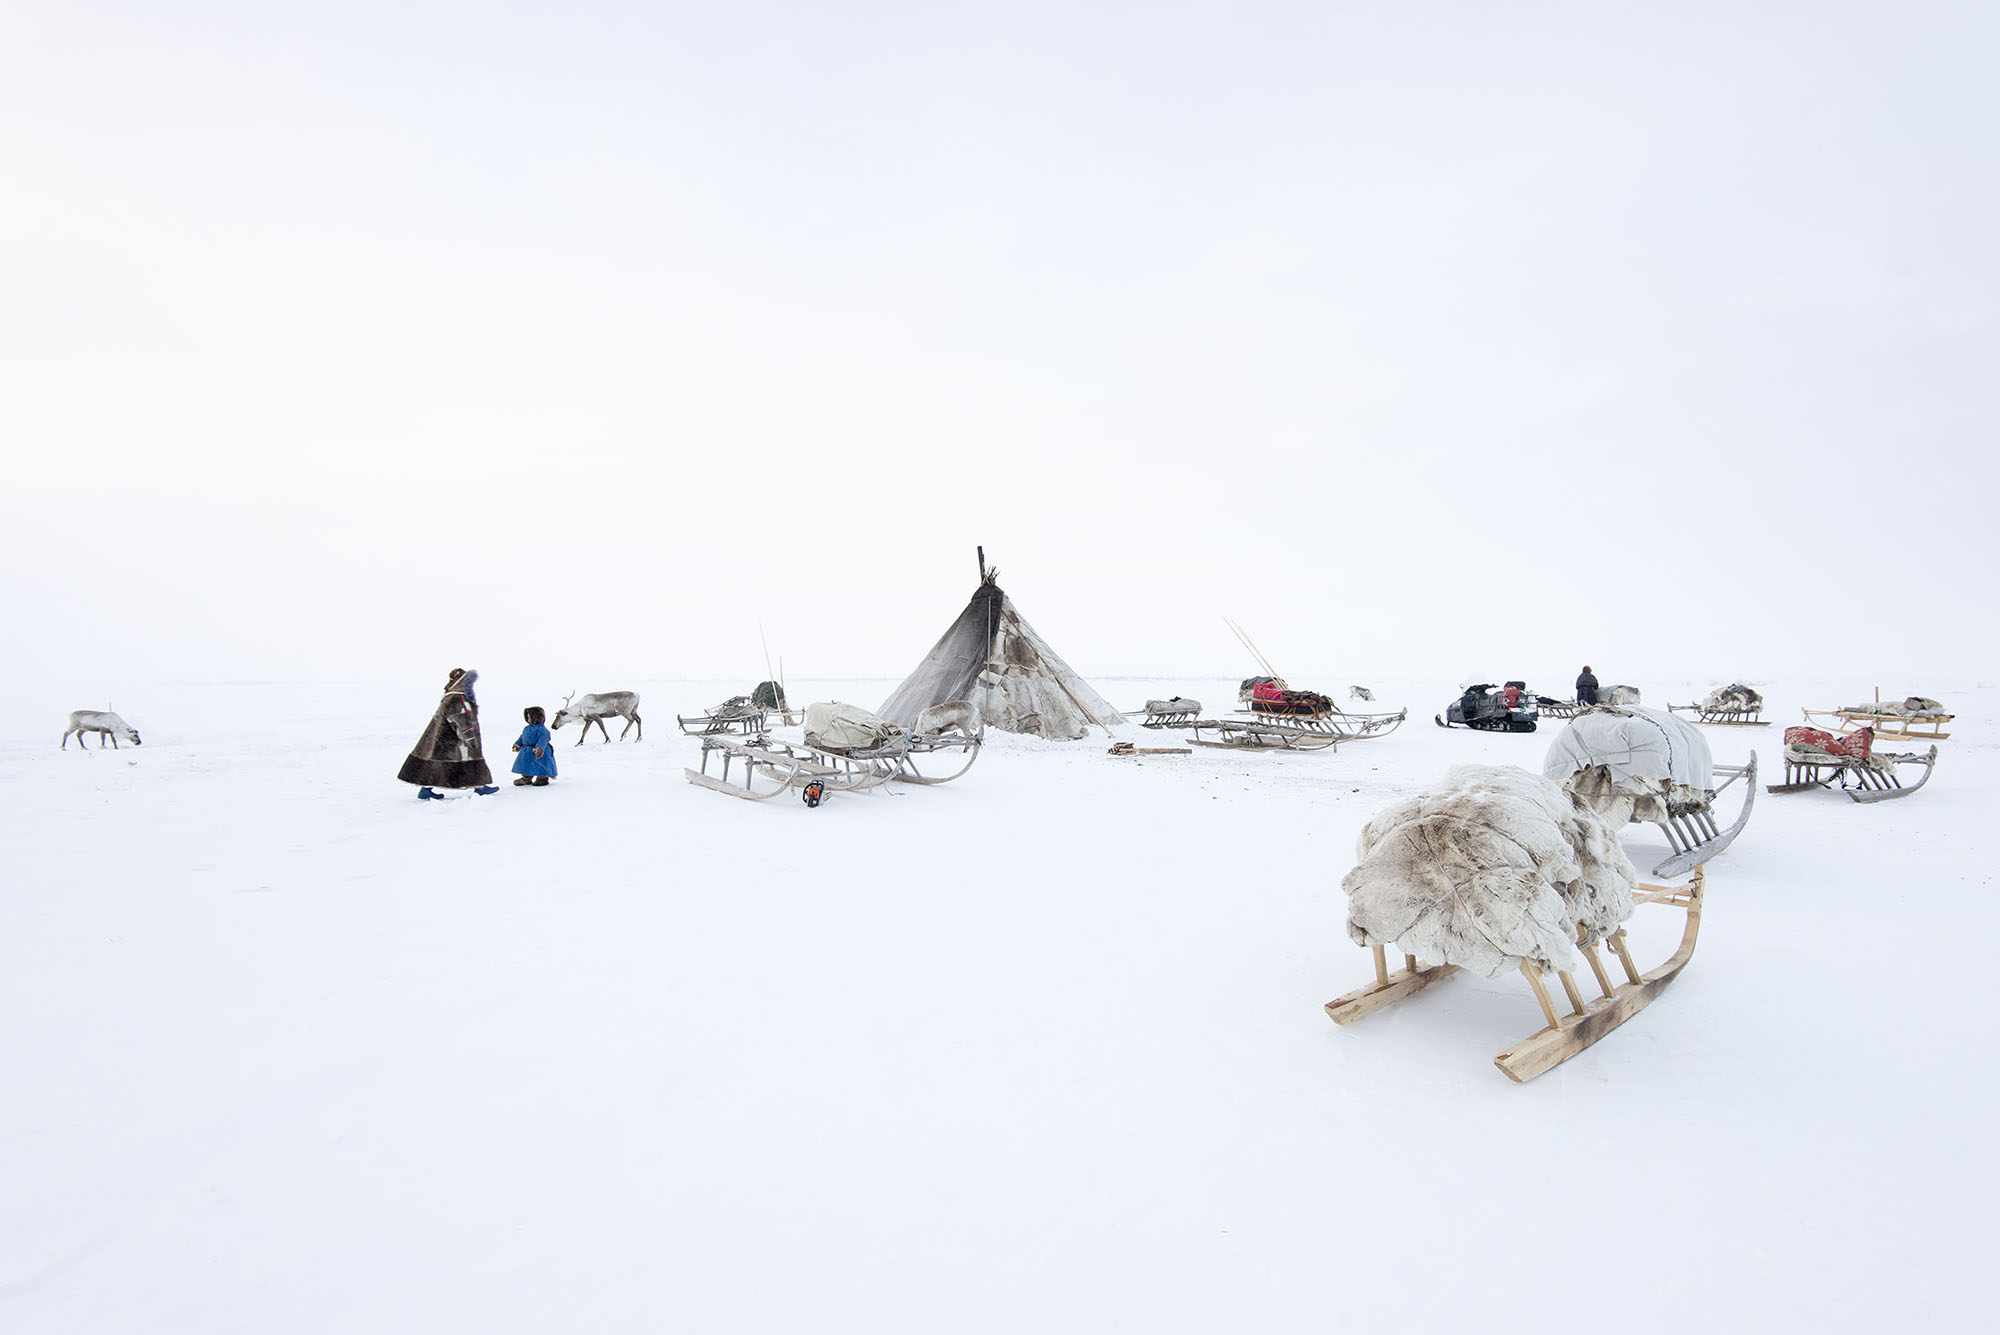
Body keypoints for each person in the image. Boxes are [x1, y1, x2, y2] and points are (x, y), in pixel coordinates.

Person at [397, 667, 498, 799]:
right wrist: (471, 739)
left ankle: (425, 790)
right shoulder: (458, 699)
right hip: (454, 740)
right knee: (470, 760)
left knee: (436, 764)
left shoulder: (448, 697)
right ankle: (480, 787)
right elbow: (462, 721)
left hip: (441, 739)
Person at [511, 706, 558, 787]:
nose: (528, 719)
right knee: (526, 764)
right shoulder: (527, 728)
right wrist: (518, 744)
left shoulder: (542, 729)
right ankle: (526, 778)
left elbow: (544, 739)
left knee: (540, 764)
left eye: (530, 717)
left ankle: (542, 778)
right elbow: (522, 737)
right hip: (526, 751)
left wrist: (540, 747)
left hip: (538, 750)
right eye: (527, 717)